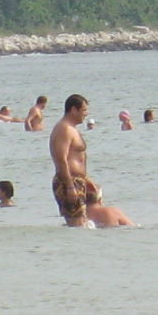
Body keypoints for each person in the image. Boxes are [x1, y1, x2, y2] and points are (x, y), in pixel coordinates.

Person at [50, 94, 92, 224]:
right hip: (69, 181)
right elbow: (60, 158)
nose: (86, 114)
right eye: (84, 110)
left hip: (77, 181)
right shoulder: (65, 129)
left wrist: (87, 180)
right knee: (77, 224)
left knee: (82, 224)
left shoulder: (72, 129)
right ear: (74, 110)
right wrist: (69, 186)